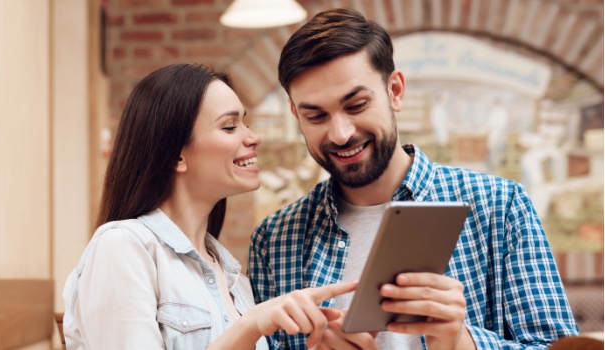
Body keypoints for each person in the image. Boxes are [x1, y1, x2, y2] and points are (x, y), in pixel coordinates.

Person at [249, 8, 579, 350]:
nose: (341, 133)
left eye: (357, 105)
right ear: (296, 115)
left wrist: (461, 343)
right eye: (316, 116)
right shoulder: (274, 239)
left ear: (395, 91)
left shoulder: (499, 205)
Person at [62, 63, 357, 350]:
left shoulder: (237, 283)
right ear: (176, 155)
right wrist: (249, 327)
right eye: (229, 127)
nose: (253, 137)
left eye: (245, 123)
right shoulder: (122, 247)